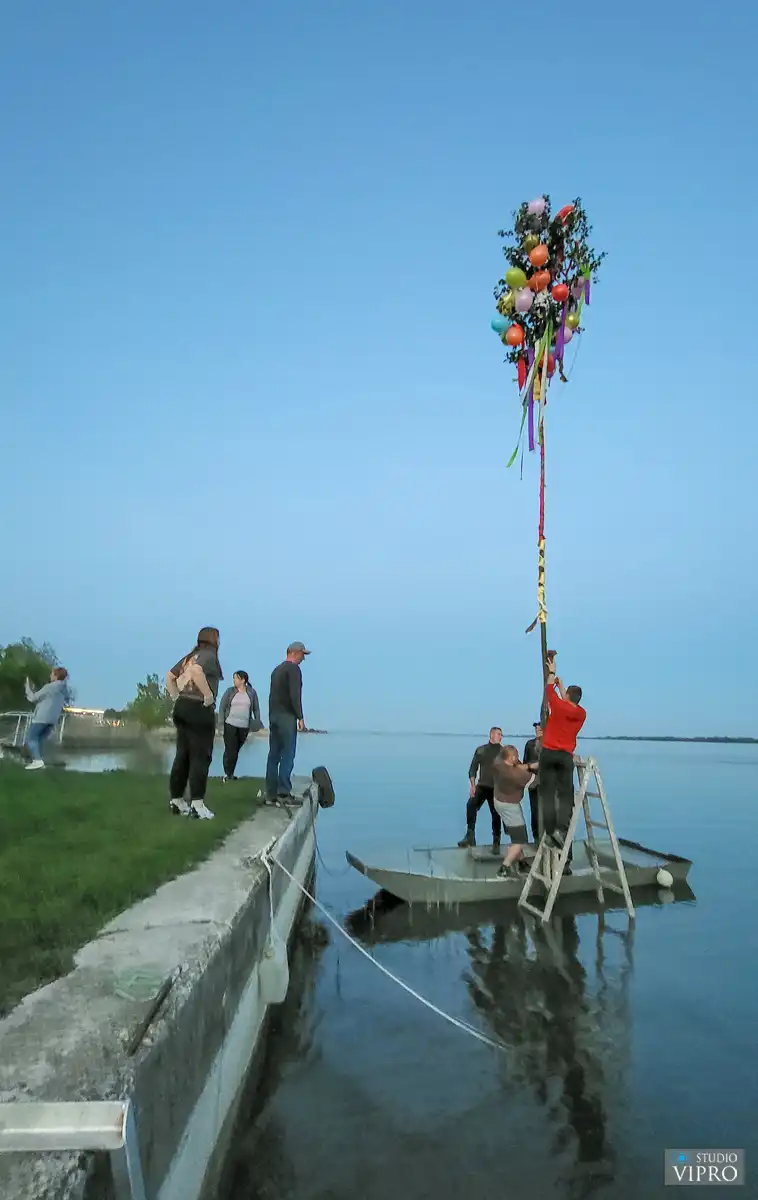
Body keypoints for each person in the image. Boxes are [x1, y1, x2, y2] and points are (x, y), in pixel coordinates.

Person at [165, 626, 223, 819]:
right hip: (199, 709)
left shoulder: (190, 656)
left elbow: (170, 676)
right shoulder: (209, 656)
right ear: (214, 640)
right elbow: (197, 672)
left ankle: (177, 800)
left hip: (182, 707)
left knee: (182, 755)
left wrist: (176, 697)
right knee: (201, 755)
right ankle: (197, 804)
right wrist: (208, 696)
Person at [540, 654, 587, 865]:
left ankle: (550, 832)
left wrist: (552, 672)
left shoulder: (558, 706)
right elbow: (566, 704)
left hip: (549, 754)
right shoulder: (582, 713)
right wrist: (562, 687)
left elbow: (549, 692)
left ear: (568, 695)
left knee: (548, 794)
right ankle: (561, 830)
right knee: (566, 796)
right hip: (565, 757)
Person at [265, 641, 310, 804]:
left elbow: (272, 696)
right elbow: (294, 694)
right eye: (302, 655)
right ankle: (284, 792)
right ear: (294, 653)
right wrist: (300, 717)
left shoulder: (277, 670)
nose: (303, 659)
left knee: (273, 755)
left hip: (274, 715)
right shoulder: (293, 670)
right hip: (287, 716)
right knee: (288, 754)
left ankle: (270, 793)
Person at [491, 745, 535, 878]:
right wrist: (537, 767)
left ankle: (521, 863)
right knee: (520, 840)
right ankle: (504, 867)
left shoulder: (498, 763)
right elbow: (535, 782)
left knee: (514, 835)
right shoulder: (516, 774)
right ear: (511, 758)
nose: (518, 757)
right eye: (516, 755)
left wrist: (526, 766)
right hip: (510, 806)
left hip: (498, 801)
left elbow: (516, 766)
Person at [458, 727, 504, 850]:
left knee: (496, 814)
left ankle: (496, 842)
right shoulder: (481, 750)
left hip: (496, 788)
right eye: (499, 734)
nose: (501, 736)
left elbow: (514, 766)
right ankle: (470, 836)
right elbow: (473, 769)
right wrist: (472, 786)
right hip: (482, 786)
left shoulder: (503, 751)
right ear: (492, 735)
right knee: (471, 805)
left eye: (501, 734)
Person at [23, 667, 71, 770]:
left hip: (42, 717)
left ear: (56, 675)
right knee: (40, 740)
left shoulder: (49, 687)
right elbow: (47, 698)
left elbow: (32, 698)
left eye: (52, 674)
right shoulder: (64, 689)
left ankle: (37, 761)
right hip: (52, 719)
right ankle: (40, 762)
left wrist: (27, 687)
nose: (50, 676)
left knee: (31, 738)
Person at [218, 671, 262, 782]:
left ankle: (230, 773)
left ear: (243, 680)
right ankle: (227, 774)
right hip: (230, 724)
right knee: (230, 750)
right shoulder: (230, 691)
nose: (234, 680)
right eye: (233, 678)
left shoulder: (251, 693)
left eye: (236, 678)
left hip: (244, 727)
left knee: (235, 751)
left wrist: (257, 721)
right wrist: (221, 724)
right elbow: (222, 707)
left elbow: (256, 708)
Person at [523, 721, 543, 841]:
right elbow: (525, 763)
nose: (538, 729)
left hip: (546, 783)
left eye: (540, 727)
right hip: (532, 782)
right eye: (536, 728)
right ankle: (536, 837)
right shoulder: (529, 744)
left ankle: (545, 837)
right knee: (534, 811)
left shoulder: (549, 744)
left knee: (545, 811)